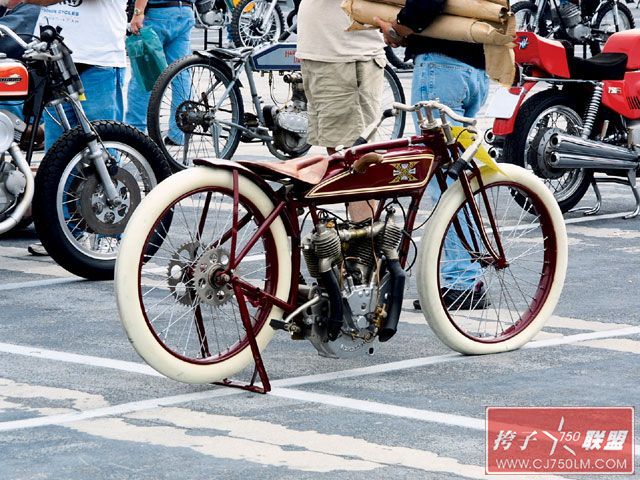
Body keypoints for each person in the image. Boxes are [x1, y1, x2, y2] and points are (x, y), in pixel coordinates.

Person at [376, 0, 490, 310]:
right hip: (474, 68)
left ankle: (462, 281)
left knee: (446, 182)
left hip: (441, 71)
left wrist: (401, 25)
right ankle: (470, 275)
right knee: (459, 179)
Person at [5, 0, 128, 255]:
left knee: (102, 152)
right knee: (57, 158)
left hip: (97, 59)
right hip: (51, 58)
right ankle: (62, 234)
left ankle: (112, 231)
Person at [296, 0, 385, 221]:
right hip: (325, 56)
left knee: (357, 161)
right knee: (343, 161)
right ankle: (357, 241)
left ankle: (364, 249)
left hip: (346, 58)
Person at [125, 0, 195, 141]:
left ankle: (134, 132)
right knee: (180, 74)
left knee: (145, 73)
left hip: (157, 12)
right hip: (184, 11)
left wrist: (138, 12)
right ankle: (179, 133)